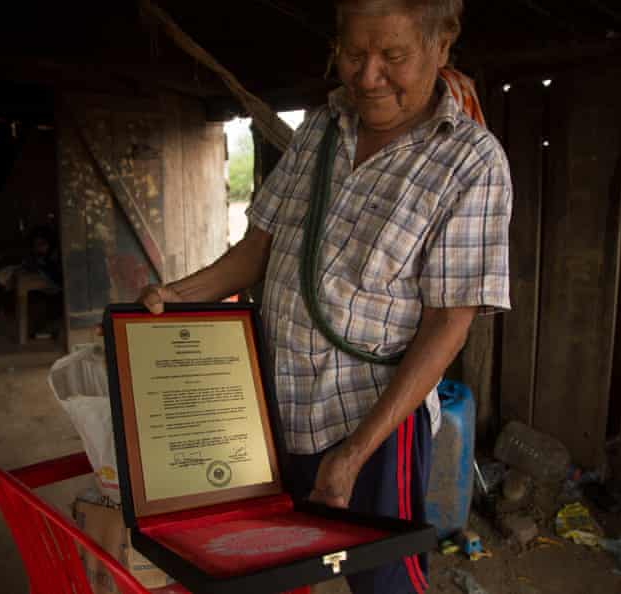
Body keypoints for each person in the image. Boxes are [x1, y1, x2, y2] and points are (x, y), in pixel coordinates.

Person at [139, 1, 512, 591]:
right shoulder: (321, 127)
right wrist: (171, 297)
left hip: (374, 421)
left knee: (384, 581)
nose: (368, 77)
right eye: (355, 54)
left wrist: (353, 455)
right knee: (268, 564)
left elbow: (448, 323)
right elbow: (258, 248)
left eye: (392, 56)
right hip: (270, 410)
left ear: (441, 47)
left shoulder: (470, 161)